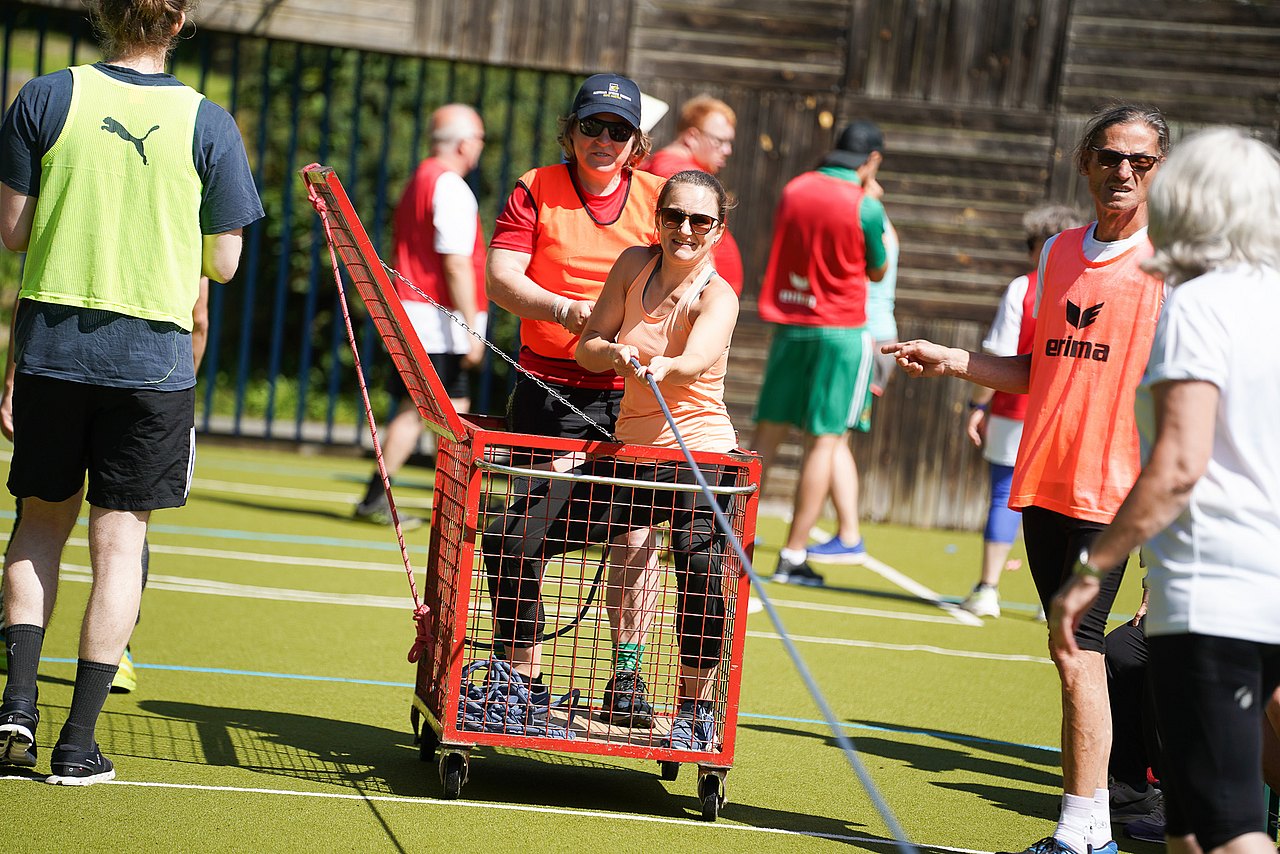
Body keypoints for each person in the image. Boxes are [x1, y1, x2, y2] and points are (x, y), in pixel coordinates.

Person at [887, 102, 1170, 854]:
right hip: (1046, 478)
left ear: (1159, 173)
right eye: (1111, 157)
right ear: (1085, 162)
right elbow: (1038, 368)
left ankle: (1087, 830)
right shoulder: (1055, 255)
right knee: (1070, 647)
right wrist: (953, 361)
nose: (1123, 172)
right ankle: (1109, 815)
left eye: (1140, 162)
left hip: (1117, 489)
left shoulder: (1173, 266)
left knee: (1079, 647)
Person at [0, 0, 263, 785]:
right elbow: (224, 265)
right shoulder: (208, 122)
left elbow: (12, 232)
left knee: (39, 527)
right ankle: (77, 745)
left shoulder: (45, 98)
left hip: (52, 343)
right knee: (119, 546)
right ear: (179, 24)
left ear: (101, 14)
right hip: (150, 356)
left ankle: (14, 707)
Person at [1053, 126, 1280, 854]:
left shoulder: (1198, 304)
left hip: (1219, 590)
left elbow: (1178, 466)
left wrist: (1093, 570)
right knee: (1187, 826)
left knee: (1226, 826)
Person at [482, 169, 738, 746]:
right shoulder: (631, 265)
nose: (685, 230)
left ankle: (693, 711)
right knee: (511, 539)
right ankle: (521, 685)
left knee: (698, 567)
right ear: (659, 219)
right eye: (674, 216)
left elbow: (696, 360)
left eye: (700, 220)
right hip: (630, 455)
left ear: (718, 229)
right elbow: (590, 346)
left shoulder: (717, 296)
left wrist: (664, 368)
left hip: (697, 456)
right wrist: (616, 354)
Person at [486, 73, 666, 726]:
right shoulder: (536, 188)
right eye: (593, 126)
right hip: (546, 387)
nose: (604, 140)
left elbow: (694, 281)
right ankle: (520, 681)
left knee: (638, 531)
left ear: (636, 142)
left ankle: (625, 680)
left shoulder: (658, 200)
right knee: (519, 532)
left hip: (629, 394)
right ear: (572, 130)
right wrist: (567, 311)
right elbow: (502, 279)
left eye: (619, 130)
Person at [752, 120, 889, 585]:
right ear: (871, 161)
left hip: (792, 326)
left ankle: (731, 543)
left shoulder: (795, 189)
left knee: (765, 437)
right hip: (840, 333)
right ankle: (792, 555)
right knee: (824, 442)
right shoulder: (865, 205)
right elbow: (877, 269)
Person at [353, 104, 487, 527]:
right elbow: (456, 262)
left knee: (433, 411)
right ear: (465, 143)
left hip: (419, 314)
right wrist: (472, 328)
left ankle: (389, 496)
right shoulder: (449, 185)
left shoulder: (421, 178)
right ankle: (449, 503)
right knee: (440, 414)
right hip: (439, 320)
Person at [959, 204, 1085, 618]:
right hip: (1070, 412)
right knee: (1065, 502)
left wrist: (978, 406)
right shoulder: (1087, 283)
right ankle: (1059, 597)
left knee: (1002, 493)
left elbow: (1000, 352)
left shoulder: (1023, 286)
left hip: (1015, 408)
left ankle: (987, 588)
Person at [639, 95, 744, 294]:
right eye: (720, 141)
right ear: (691, 137)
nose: (727, 150)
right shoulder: (680, 175)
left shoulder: (668, 167)